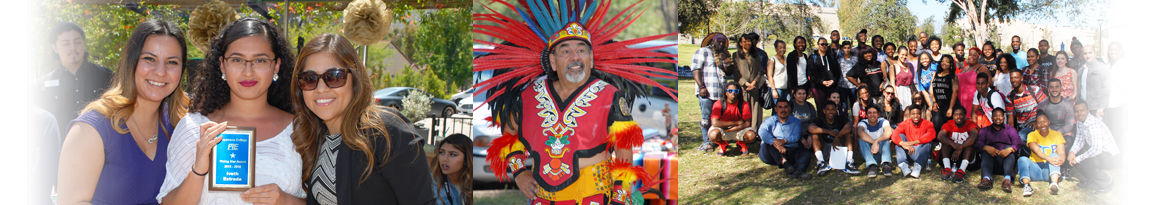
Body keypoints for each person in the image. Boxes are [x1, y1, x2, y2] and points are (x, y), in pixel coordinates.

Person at [476, 1, 674, 202]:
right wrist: (519, 173)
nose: (575, 58)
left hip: (592, 197)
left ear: (591, 58)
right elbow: (509, 135)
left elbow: (624, 154)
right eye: (565, 51)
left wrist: (619, 198)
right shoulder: (530, 95)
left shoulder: (610, 96)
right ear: (553, 61)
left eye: (581, 50)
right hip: (542, 199)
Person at [158, 18, 307, 204]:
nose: (248, 71)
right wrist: (198, 169)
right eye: (237, 60)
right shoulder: (193, 127)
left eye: (260, 60)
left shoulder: (301, 128)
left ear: (276, 65)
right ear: (222, 65)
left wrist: (287, 201)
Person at [292, 33, 437, 204]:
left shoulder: (386, 131)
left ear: (355, 79)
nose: (321, 88)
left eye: (334, 76)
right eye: (309, 79)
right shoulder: (317, 137)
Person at [57, 19, 190, 205]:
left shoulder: (180, 124)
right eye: (149, 59)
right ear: (131, 61)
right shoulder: (90, 129)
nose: (160, 72)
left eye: (172, 62)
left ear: (182, 71)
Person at [38, 21, 116, 136]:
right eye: (66, 44)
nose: (73, 48)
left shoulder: (106, 76)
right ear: (55, 47)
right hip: (61, 151)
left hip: (100, 149)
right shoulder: (43, 85)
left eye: (78, 42)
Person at [1068, 101, 1120, 193]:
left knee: (1084, 162)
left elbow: (1097, 150)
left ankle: (1106, 182)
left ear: (1088, 111)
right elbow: (1079, 140)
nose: (1079, 113)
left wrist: (1078, 159)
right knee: (1076, 157)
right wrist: (1072, 152)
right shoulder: (1080, 122)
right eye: (1076, 111)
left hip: (1110, 157)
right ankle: (1091, 178)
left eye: (1082, 110)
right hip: (1100, 153)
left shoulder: (1094, 124)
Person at [757, 100, 813, 180]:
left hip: (788, 150)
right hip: (771, 154)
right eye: (780, 107)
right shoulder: (770, 120)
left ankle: (799, 171)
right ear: (776, 109)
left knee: (805, 153)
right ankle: (785, 163)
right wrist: (775, 142)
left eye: (785, 107)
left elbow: (796, 136)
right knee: (768, 143)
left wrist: (784, 141)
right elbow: (762, 132)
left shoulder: (795, 121)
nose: (783, 110)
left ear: (789, 108)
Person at [692, 32, 729, 152]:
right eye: (719, 41)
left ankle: (718, 140)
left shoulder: (724, 54)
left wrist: (726, 62)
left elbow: (729, 72)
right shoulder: (703, 51)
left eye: (723, 42)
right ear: (712, 41)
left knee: (719, 118)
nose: (721, 43)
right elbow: (696, 69)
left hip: (721, 92)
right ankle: (706, 142)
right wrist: (701, 86)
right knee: (706, 118)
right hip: (707, 91)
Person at [1017, 111, 1065, 197]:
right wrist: (1049, 158)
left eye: (1045, 122)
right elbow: (1037, 151)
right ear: (1036, 124)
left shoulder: (1057, 135)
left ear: (1049, 122)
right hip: (1035, 168)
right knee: (1022, 159)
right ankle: (1027, 186)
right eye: (1039, 123)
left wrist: (1061, 160)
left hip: (1049, 169)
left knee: (1054, 155)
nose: (1042, 125)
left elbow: (1061, 152)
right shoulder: (1032, 135)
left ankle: (1054, 183)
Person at [975, 108, 1022, 193]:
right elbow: (978, 143)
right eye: (995, 116)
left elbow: (1018, 142)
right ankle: (986, 179)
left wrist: (1009, 149)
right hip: (991, 163)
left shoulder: (1010, 129)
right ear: (992, 118)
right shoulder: (985, 130)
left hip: (1006, 162)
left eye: (1001, 116)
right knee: (986, 150)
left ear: (1004, 118)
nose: (998, 118)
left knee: (1010, 150)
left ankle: (1007, 180)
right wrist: (986, 147)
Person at [809, 102, 860, 176]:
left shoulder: (840, 119)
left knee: (847, 133)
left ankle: (849, 162)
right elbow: (810, 128)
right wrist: (829, 132)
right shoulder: (820, 120)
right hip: (825, 147)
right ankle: (821, 162)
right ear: (824, 111)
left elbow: (849, 126)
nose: (830, 112)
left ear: (836, 110)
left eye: (833, 109)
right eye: (828, 109)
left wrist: (837, 136)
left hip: (839, 147)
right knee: (815, 134)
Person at [733, 33, 768, 131]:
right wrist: (745, 83)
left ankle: (755, 130)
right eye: (745, 41)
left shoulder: (755, 55)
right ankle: (743, 130)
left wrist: (754, 82)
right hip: (742, 87)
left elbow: (759, 70)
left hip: (754, 86)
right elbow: (735, 71)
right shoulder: (736, 55)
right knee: (743, 108)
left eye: (749, 41)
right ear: (740, 43)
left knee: (755, 108)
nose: (747, 43)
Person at [708, 82, 756, 156]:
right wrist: (736, 122)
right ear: (726, 93)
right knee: (713, 135)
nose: (733, 93)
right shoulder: (718, 104)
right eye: (730, 91)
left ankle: (741, 143)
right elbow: (715, 123)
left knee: (751, 136)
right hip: (722, 129)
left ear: (738, 93)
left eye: (736, 91)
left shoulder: (744, 104)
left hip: (738, 129)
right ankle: (723, 144)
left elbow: (747, 123)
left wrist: (729, 130)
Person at [889, 105, 935, 178]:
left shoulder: (928, 123)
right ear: (910, 115)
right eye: (913, 114)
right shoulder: (905, 123)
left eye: (918, 114)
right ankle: (903, 165)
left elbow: (931, 135)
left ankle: (918, 166)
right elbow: (894, 134)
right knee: (899, 137)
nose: (915, 116)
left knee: (928, 142)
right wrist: (903, 144)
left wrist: (912, 143)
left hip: (921, 152)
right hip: (908, 152)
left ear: (921, 114)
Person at [937, 107, 978, 183]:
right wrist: (953, 145)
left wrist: (961, 147)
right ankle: (947, 169)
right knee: (945, 143)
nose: (958, 117)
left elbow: (974, 136)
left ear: (965, 116)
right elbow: (940, 136)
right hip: (952, 155)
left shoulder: (970, 124)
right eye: (956, 114)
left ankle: (961, 171)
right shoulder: (949, 123)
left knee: (970, 145)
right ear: (953, 116)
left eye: (961, 114)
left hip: (966, 156)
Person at [430, 134, 473, 205]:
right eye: (442, 153)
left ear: (466, 159)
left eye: (453, 154)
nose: (445, 159)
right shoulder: (430, 183)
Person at [856, 105, 894, 177]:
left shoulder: (883, 121)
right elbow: (860, 132)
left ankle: (886, 164)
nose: (872, 115)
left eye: (874, 112)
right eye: (869, 113)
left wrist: (876, 141)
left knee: (885, 137)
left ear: (878, 114)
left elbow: (889, 132)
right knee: (862, 139)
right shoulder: (863, 123)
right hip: (868, 153)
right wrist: (874, 143)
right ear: (866, 115)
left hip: (881, 152)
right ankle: (872, 166)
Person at [810, 37, 842, 109]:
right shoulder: (813, 58)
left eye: (826, 44)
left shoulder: (832, 56)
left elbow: (838, 71)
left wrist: (833, 80)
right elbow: (811, 73)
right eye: (822, 44)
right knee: (821, 108)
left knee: (832, 107)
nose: (824, 46)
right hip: (818, 88)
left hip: (831, 87)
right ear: (818, 45)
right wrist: (821, 82)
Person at [1079, 45, 1110, 119]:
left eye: (1090, 53)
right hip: (1084, 107)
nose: (1088, 55)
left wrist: (1101, 107)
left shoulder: (1102, 68)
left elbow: (1106, 89)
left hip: (1096, 108)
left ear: (1095, 53)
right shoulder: (1081, 69)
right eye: (1085, 53)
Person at [930, 55, 958, 131]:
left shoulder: (953, 76)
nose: (944, 63)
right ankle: (937, 142)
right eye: (942, 61)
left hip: (948, 105)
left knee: (947, 126)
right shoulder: (936, 73)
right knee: (936, 124)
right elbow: (931, 88)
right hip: (938, 105)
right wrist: (934, 102)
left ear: (950, 64)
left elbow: (955, 92)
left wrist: (950, 108)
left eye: (947, 61)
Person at [1008, 69, 1040, 136]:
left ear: (1022, 78)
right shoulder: (1009, 97)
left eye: (1016, 77)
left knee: (1022, 137)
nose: (1013, 80)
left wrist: (1037, 120)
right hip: (1022, 129)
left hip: (1037, 125)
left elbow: (1046, 106)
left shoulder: (1035, 90)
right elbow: (1010, 122)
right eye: (1011, 78)